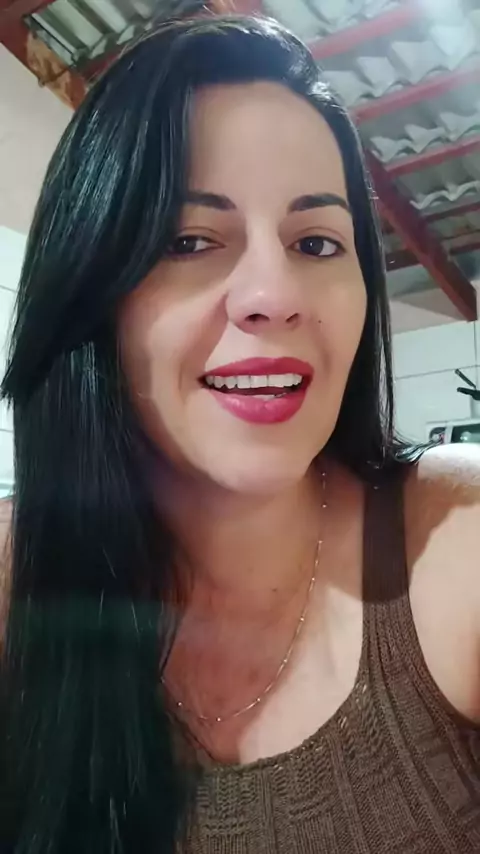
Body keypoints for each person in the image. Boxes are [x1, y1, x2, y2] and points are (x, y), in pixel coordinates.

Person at [0, 13, 478, 854]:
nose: (274, 294)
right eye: (190, 239)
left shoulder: (458, 541)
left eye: (316, 242)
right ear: (89, 291)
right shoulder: (17, 584)